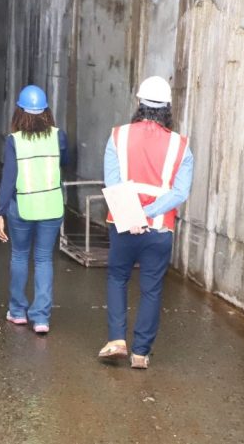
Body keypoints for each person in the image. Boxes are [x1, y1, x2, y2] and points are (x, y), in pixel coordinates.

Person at [97, 76, 194, 369]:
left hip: (124, 225)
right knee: (151, 288)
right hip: (159, 229)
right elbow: (180, 191)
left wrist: (133, 216)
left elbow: (112, 182)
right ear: (167, 107)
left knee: (117, 278)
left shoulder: (118, 136)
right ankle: (141, 352)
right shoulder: (181, 145)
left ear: (139, 103)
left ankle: (117, 340)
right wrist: (151, 214)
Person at [0, 85, 68, 334]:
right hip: (52, 206)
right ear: (46, 110)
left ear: (20, 111)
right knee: (44, 259)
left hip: (22, 207)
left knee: (19, 256)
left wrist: (0, 212)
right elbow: (63, 163)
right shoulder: (59, 136)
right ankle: (41, 318)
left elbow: (9, 179)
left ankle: (17, 312)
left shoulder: (14, 140)